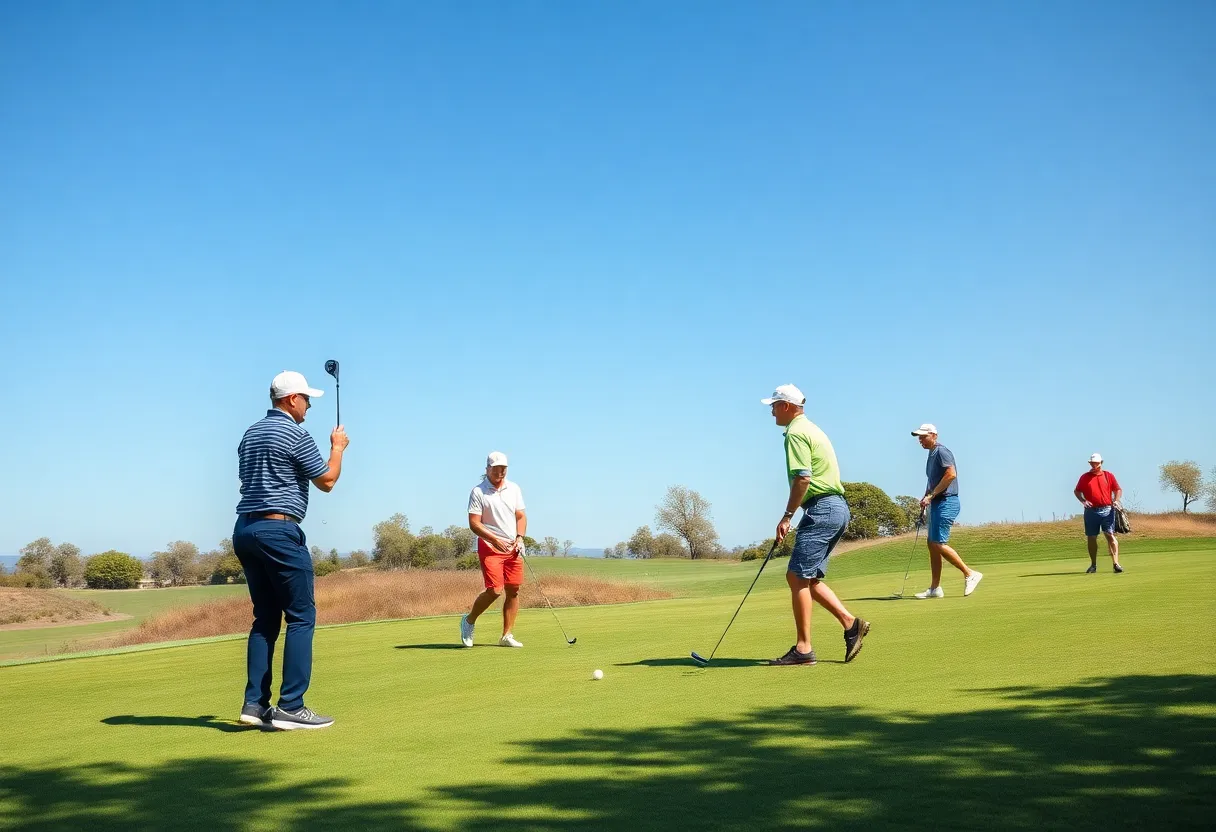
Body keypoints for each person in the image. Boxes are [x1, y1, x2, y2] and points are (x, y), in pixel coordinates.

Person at [233, 370, 348, 730]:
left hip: (245, 530)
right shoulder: (295, 434)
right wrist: (337, 449)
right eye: (306, 399)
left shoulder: (250, 433)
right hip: (279, 530)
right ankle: (291, 707)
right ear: (291, 399)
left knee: (265, 619)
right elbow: (327, 481)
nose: (309, 406)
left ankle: (254, 706)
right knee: (301, 617)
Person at [762, 384, 869, 665]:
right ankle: (850, 624)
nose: (771, 411)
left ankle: (803, 649)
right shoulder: (812, 428)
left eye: (773, 406)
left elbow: (803, 478)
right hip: (834, 508)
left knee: (796, 577)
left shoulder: (796, 433)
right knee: (807, 578)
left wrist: (787, 516)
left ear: (786, 405)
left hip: (822, 508)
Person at [460, 452, 528, 648]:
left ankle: (506, 635)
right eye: (496, 468)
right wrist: (493, 539)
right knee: (495, 590)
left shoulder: (513, 488)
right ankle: (469, 620)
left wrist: (520, 537)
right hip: (490, 546)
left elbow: (520, 516)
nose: (500, 472)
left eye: (503, 469)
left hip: (512, 547)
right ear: (487, 469)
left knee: (513, 590)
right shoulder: (479, 492)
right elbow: (474, 523)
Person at [910, 424, 983, 599]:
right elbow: (932, 481)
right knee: (932, 544)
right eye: (918, 437)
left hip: (947, 501)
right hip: (936, 502)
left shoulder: (942, 451)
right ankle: (935, 589)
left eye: (923, 436)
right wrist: (926, 497)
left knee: (937, 543)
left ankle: (970, 574)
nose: (920, 440)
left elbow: (951, 474)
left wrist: (932, 495)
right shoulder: (931, 454)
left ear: (934, 435)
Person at [1074, 453, 1124, 573]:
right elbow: (1077, 491)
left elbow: (1117, 489)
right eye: (1092, 463)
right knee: (1091, 537)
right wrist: (1083, 501)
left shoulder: (1108, 475)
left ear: (1101, 462)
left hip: (1107, 509)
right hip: (1091, 511)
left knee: (1110, 535)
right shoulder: (1084, 477)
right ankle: (1093, 565)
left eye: (1096, 463)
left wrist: (1116, 501)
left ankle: (1116, 563)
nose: (1094, 465)